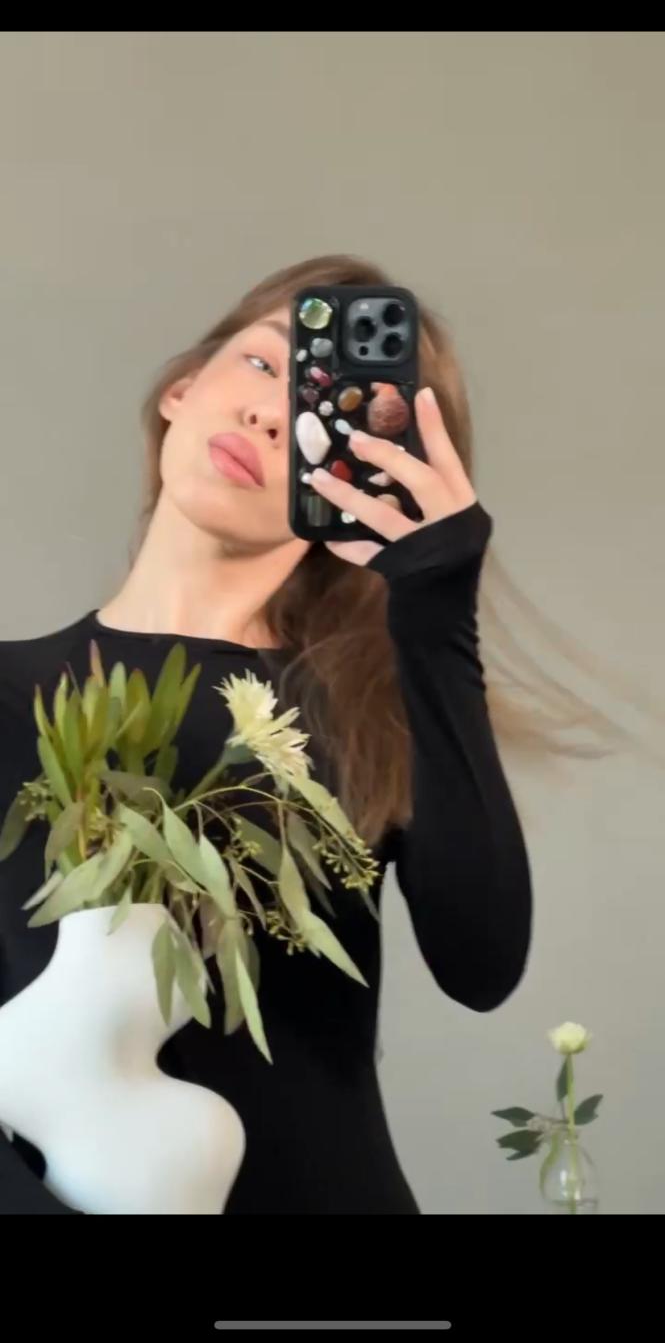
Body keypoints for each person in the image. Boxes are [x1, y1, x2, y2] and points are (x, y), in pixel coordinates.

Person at [0, 253, 628, 1215]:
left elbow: (481, 964)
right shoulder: (8, 691)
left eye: (326, 404)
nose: (270, 412)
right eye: (261, 363)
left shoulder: (360, 717)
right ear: (181, 389)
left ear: (366, 475)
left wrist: (436, 618)